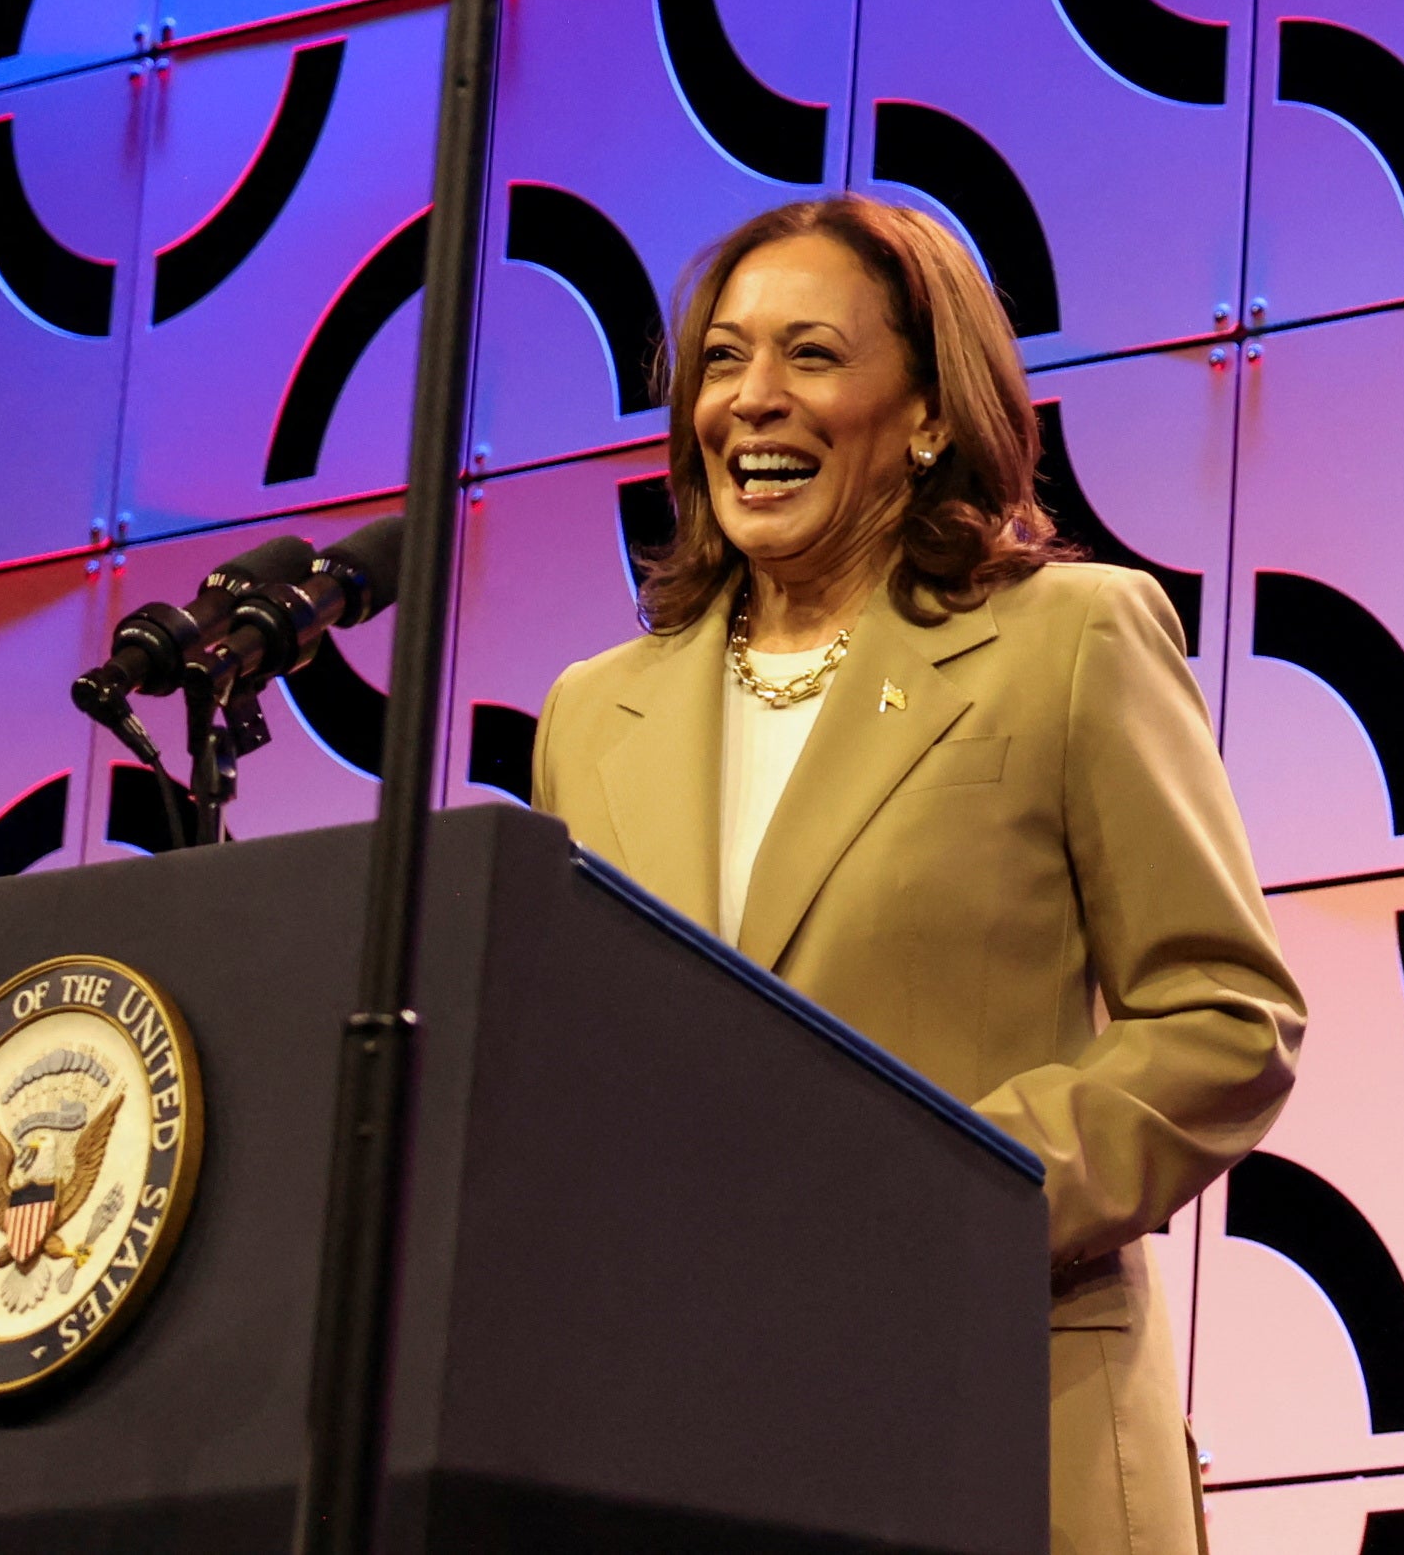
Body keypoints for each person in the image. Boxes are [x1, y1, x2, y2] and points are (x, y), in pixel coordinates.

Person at [531, 194, 1297, 1555]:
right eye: (721, 359)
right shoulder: (591, 717)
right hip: (686, 1454)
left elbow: (1224, 1020)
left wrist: (941, 1199)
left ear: (930, 413)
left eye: (812, 356)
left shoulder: (1069, 639)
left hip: (1001, 1410)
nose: (752, 403)